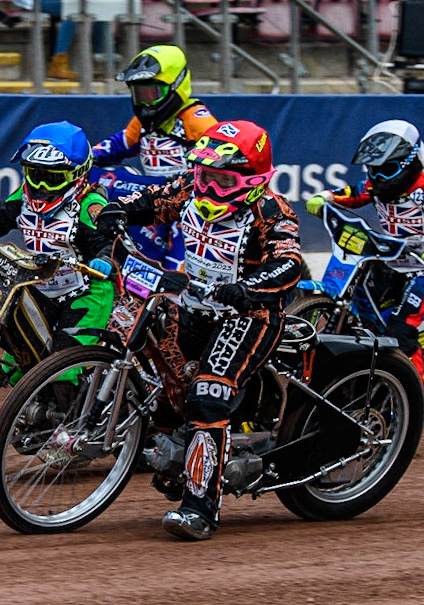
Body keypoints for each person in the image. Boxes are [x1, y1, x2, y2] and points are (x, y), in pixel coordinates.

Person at [96, 120, 302, 540]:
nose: (209, 184)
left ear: (254, 179)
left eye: (222, 178)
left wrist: (249, 288)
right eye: (204, 174)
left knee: (208, 394)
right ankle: (174, 451)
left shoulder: (271, 211)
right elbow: (148, 199)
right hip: (193, 307)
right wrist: (116, 211)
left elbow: (291, 261)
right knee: (157, 372)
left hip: (249, 317)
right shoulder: (190, 189)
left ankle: (200, 508)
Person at [0, 120, 115, 384]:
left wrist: (104, 259)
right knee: (19, 363)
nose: (42, 187)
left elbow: (108, 242)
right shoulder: (22, 198)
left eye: (51, 177)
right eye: (36, 174)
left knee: (62, 369)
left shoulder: (90, 204)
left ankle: (76, 418)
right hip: (40, 286)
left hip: (86, 293)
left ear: (76, 174)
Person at [305, 119, 424, 379]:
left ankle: (413, 396)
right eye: (373, 169)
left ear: (411, 162)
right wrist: (326, 197)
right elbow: (355, 193)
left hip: (422, 269)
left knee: (400, 331)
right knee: (363, 317)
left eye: (387, 169)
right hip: (387, 259)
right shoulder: (375, 186)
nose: (378, 177)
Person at [92, 44, 218, 268]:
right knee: (107, 177)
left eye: (152, 93)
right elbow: (117, 145)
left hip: (187, 199)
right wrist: (84, 157)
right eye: (139, 94)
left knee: (180, 267)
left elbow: (221, 162)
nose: (144, 102)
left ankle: (178, 284)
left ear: (176, 86)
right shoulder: (142, 123)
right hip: (153, 198)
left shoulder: (196, 120)